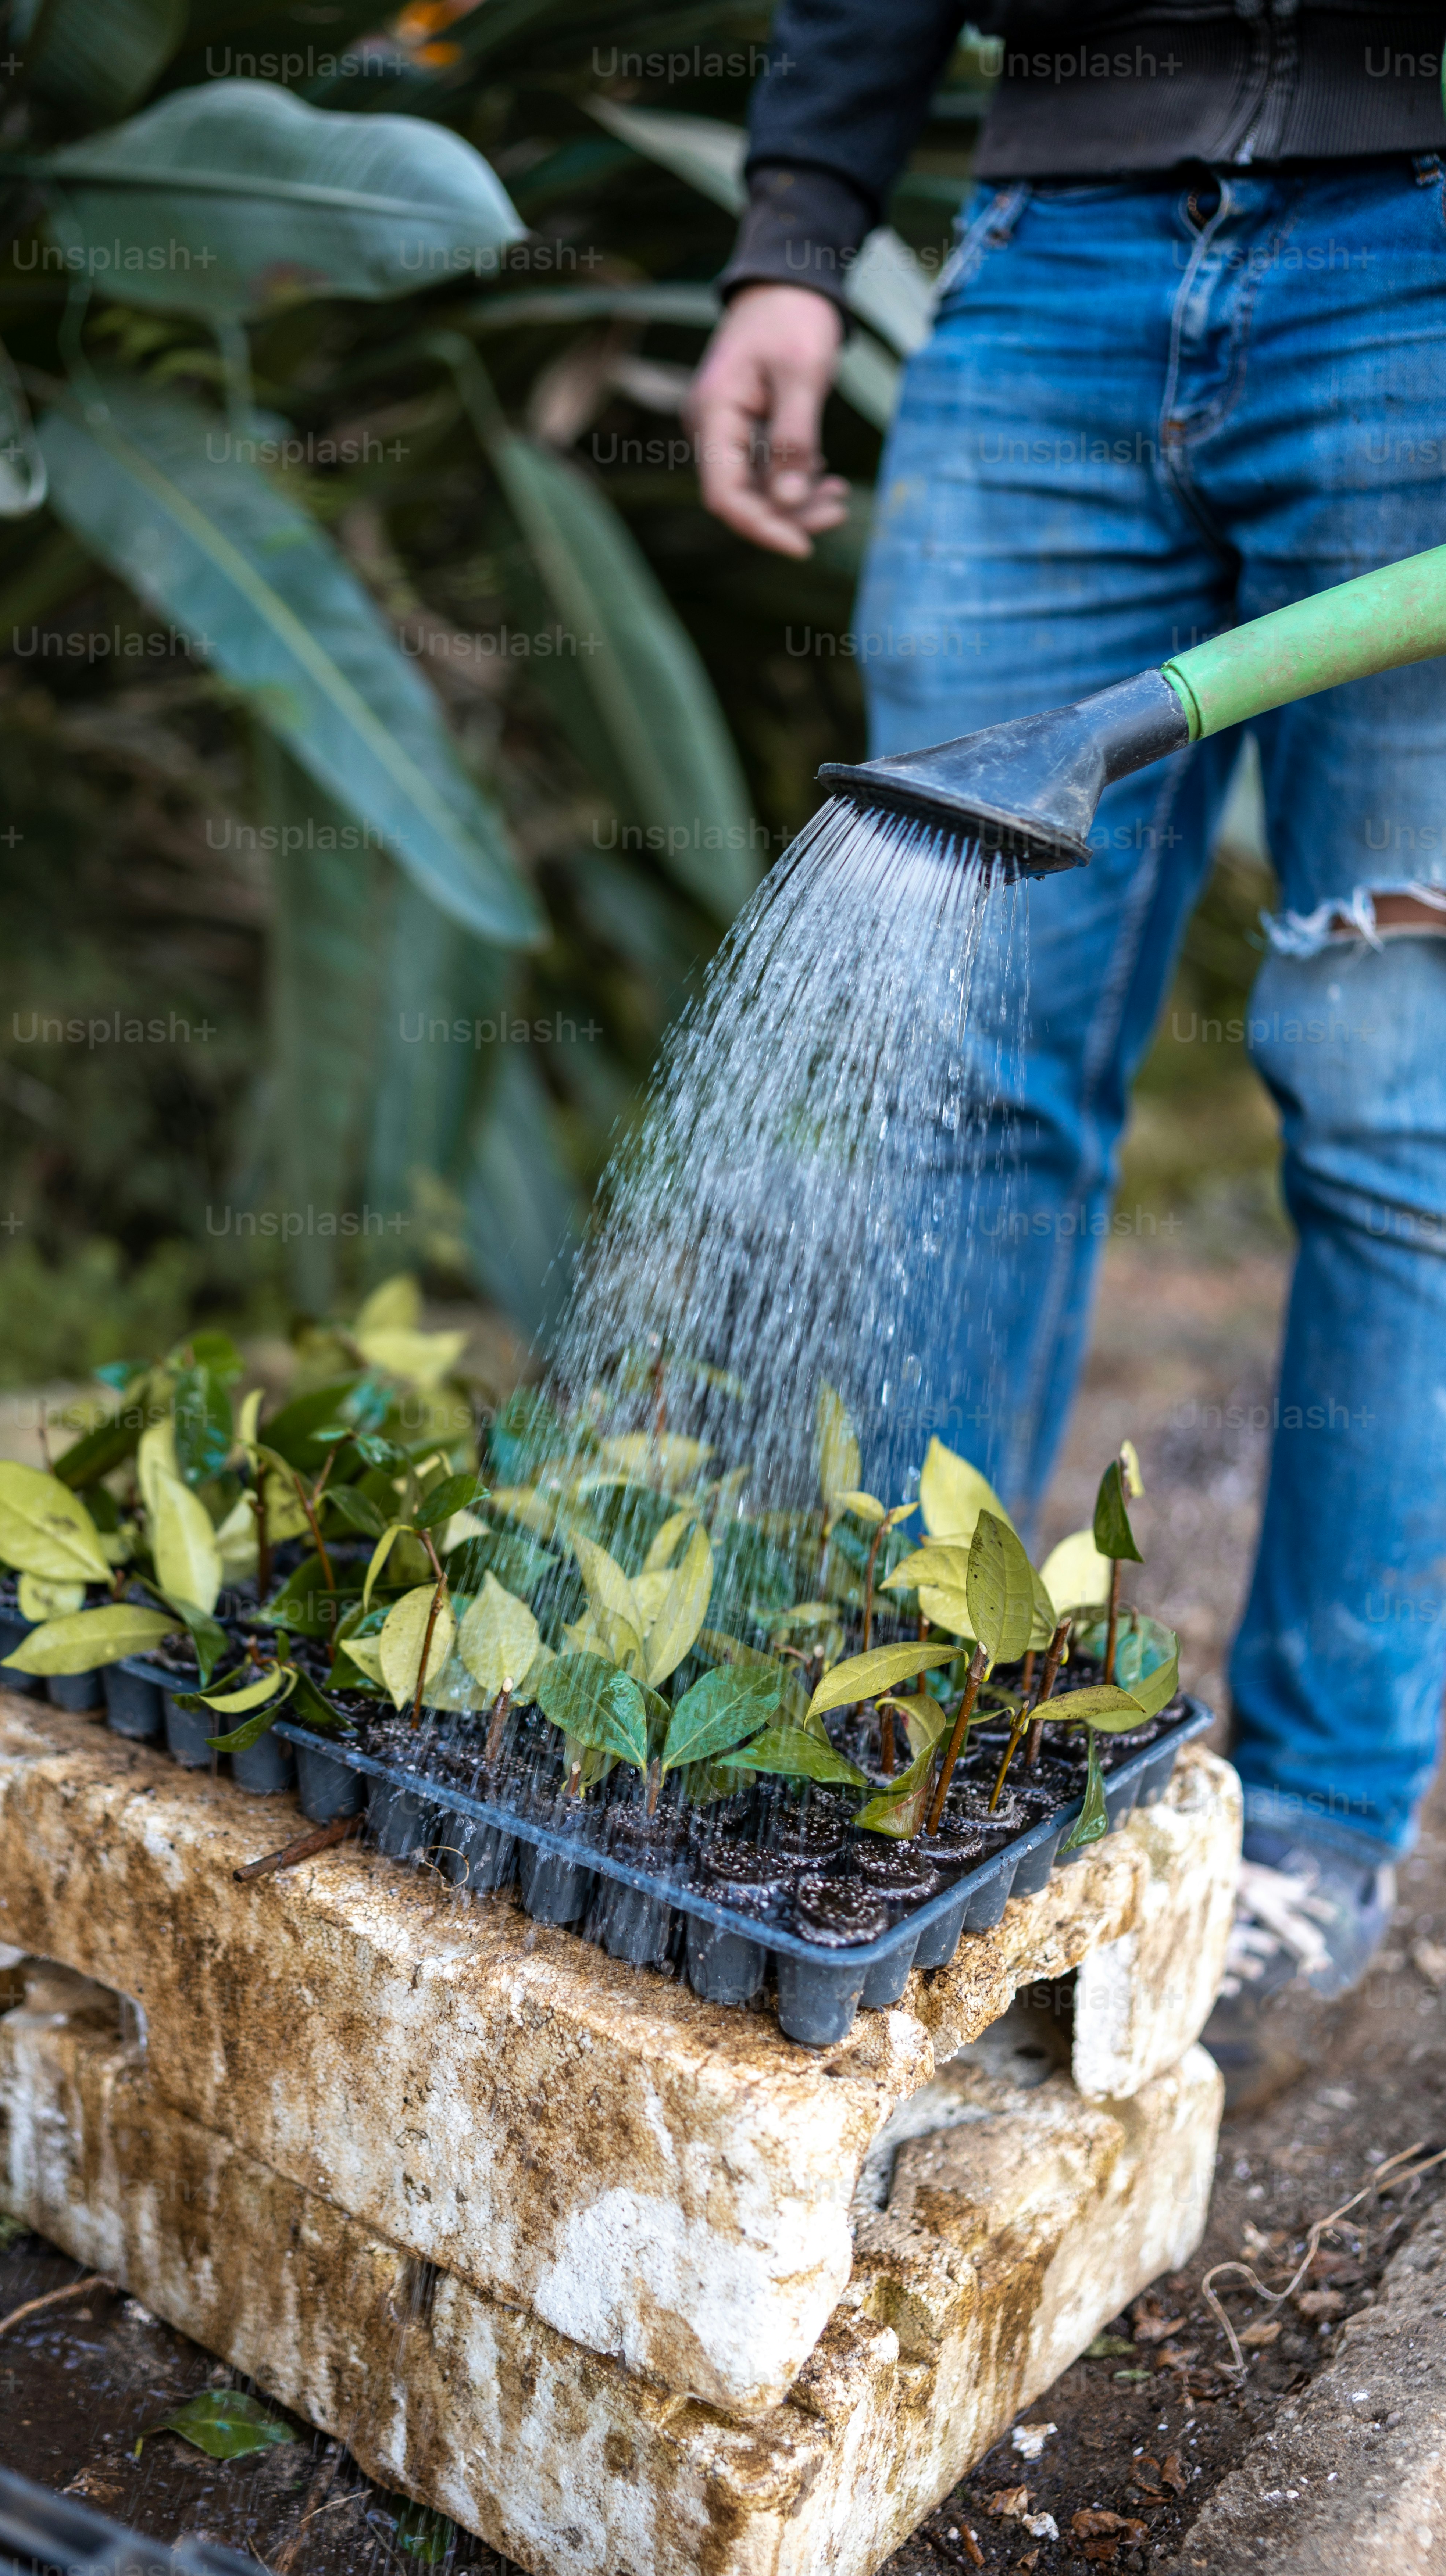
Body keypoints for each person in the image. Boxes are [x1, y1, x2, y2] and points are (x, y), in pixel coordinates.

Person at [689, 2, 1446, 2107]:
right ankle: (894, 1727)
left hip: (1425, 247)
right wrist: (798, 227)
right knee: (958, 1082)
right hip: (1054, 255)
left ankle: (1308, 1846)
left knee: (1402, 1119)